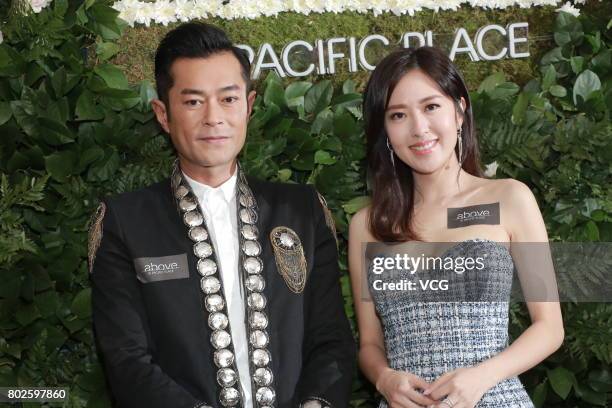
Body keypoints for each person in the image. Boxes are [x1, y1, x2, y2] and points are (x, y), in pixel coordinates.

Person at [88, 22, 355, 408]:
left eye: (228, 99)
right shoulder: (124, 222)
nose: (214, 117)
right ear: (163, 114)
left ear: (248, 106)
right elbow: (127, 361)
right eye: (193, 101)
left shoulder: (301, 210)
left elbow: (331, 341)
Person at [348, 47, 564, 408]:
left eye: (431, 107)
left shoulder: (509, 199)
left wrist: (482, 376)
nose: (419, 128)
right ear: (384, 129)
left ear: (460, 111)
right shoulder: (367, 226)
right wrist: (385, 378)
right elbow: (370, 344)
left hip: (496, 398)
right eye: (398, 115)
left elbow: (550, 328)